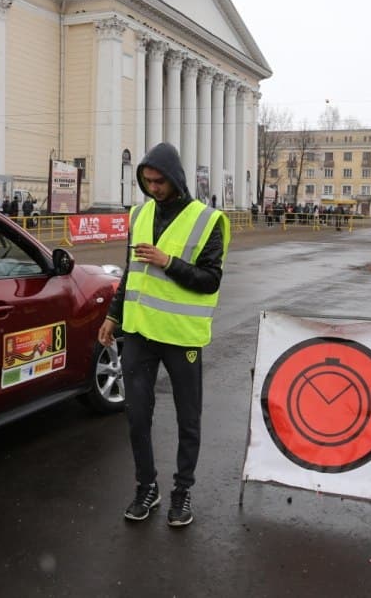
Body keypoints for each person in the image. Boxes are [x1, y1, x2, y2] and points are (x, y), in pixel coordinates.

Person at [97, 142, 230, 528]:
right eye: (147, 181)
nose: (153, 188)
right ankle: (146, 488)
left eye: (159, 181)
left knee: (189, 419)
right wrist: (112, 317)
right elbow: (130, 274)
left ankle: (182, 492)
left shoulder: (208, 220)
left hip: (182, 337)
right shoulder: (138, 215)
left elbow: (210, 281)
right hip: (139, 333)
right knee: (137, 416)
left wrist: (168, 262)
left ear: (175, 179)